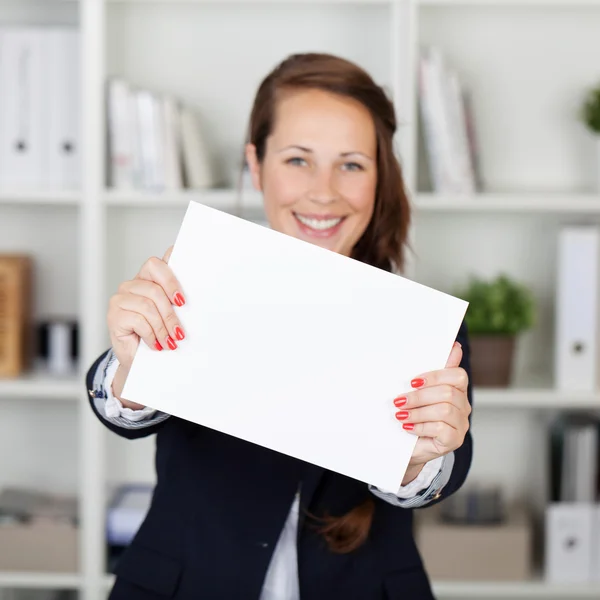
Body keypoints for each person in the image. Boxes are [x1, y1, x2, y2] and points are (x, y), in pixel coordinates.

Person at [86, 52, 473, 600]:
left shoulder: (415, 321)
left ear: (380, 176)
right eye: (298, 159)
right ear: (256, 162)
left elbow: (446, 472)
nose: (323, 191)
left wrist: (418, 456)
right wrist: (131, 365)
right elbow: (124, 416)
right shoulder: (196, 278)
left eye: (352, 164)